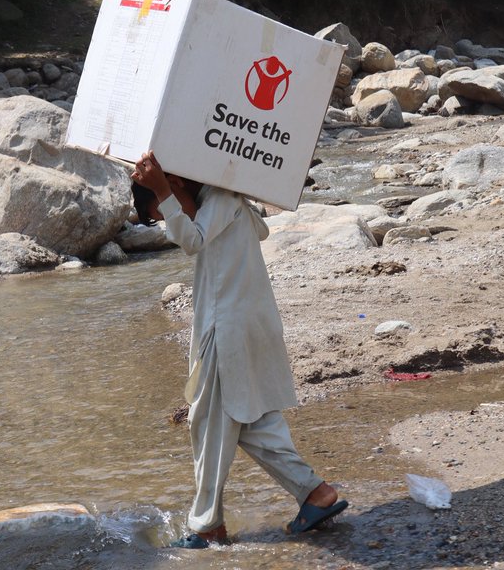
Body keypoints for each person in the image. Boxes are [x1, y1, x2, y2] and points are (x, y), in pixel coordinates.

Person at [130, 150, 347, 549]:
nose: (170, 218)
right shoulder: (231, 203)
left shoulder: (220, 200)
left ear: (176, 183)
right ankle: (315, 493)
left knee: (208, 423)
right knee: (253, 422)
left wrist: (161, 190)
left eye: (164, 209)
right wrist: (169, 194)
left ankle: (206, 525)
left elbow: (191, 241)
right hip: (250, 326)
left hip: (227, 331)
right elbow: (251, 232)